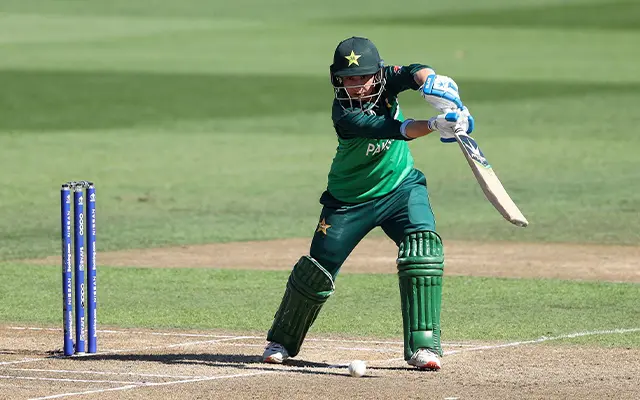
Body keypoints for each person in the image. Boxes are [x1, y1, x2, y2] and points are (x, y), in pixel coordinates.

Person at [261, 36, 473, 371]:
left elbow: (414, 72)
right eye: (348, 78)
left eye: (363, 77)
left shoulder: (386, 78)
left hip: (401, 188)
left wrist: (435, 86)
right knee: (316, 272)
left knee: (423, 250)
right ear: (337, 80)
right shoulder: (344, 114)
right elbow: (399, 129)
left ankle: (423, 346)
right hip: (349, 201)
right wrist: (435, 124)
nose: (357, 85)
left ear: (376, 74)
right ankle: (282, 341)